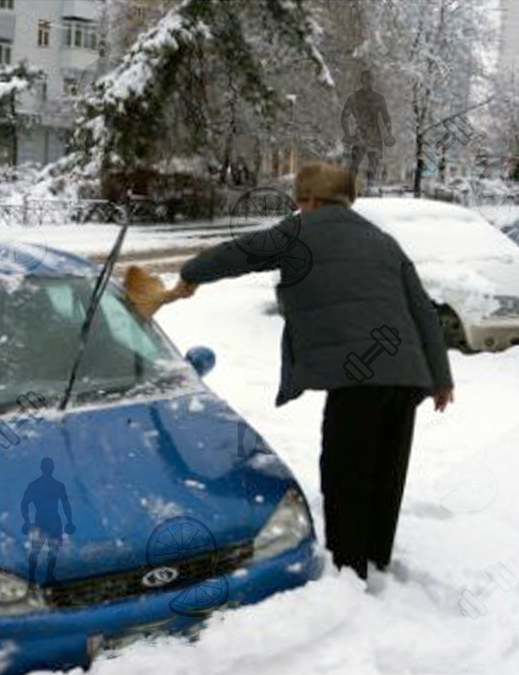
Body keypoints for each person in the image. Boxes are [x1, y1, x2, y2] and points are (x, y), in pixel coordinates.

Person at [164, 162, 454, 582]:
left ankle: (348, 569)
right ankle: (377, 556)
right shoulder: (384, 241)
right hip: (407, 377)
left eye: (301, 199)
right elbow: (423, 311)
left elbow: (240, 253)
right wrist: (441, 378)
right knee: (386, 472)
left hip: (359, 378)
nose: (299, 206)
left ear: (312, 200)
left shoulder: (299, 231)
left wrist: (191, 273)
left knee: (345, 472)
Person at [21, 457, 76, 585]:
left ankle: (48, 576)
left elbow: (65, 505)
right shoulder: (47, 485)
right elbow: (25, 504)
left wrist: (69, 521)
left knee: (52, 550)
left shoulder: (53, 485)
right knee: (38, 550)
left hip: (50, 521)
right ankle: (34, 577)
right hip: (44, 521)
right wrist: (27, 521)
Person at [341, 70, 394, 194]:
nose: (367, 82)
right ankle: (351, 187)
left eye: (369, 80)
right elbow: (344, 116)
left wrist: (389, 134)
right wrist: (347, 134)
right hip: (361, 134)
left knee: (372, 162)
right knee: (355, 162)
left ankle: (369, 187)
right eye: (366, 79)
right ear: (362, 81)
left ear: (372, 81)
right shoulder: (354, 98)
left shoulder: (378, 99)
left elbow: (386, 118)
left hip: (374, 134)